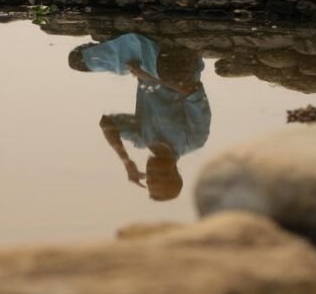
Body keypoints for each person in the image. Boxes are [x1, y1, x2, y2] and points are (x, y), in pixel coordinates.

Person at [69, 33, 211, 201]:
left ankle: (129, 42)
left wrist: (126, 161)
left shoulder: (142, 138)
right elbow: (193, 90)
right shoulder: (194, 140)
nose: (149, 173)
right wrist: (148, 77)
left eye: (149, 179)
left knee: (77, 61)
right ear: (173, 174)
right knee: (168, 68)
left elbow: (107, 124)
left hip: (144, 65)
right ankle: (138, 42)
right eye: (156, 177)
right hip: (175, 69)